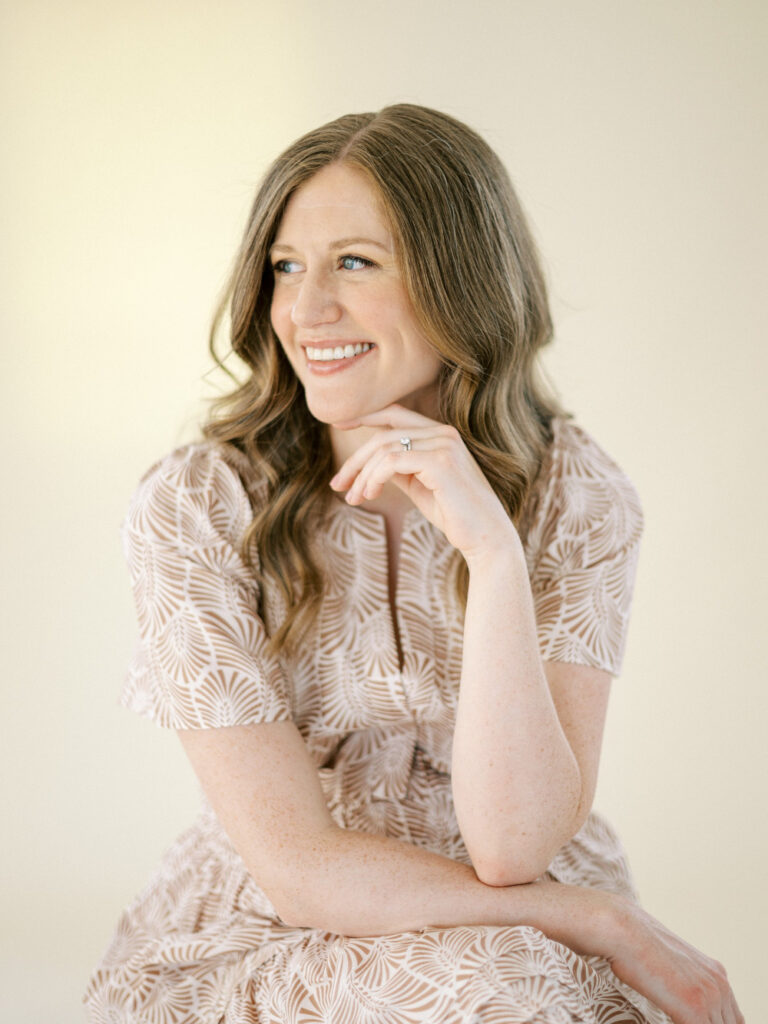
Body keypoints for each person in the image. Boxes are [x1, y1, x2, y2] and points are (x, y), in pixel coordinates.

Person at [83, 103, 742, 1024]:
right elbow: (301, 868)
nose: (307, 311)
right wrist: (601, 920)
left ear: (462, 282)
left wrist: (494, 556)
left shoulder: (577, 495)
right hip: (285, 918)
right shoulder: (197, 505)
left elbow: (512, 846)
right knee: (491, 989)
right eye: (285, 267)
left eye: (355, 261)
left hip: (515, 897)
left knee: (506, 984)